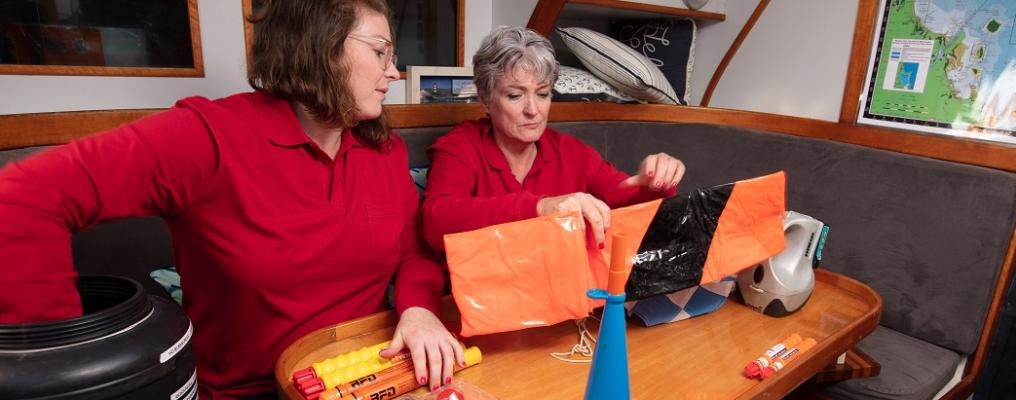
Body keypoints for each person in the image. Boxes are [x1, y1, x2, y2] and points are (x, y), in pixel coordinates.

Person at [0, 1, 462, 397]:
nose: (393, 71)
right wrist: (60, 360)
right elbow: (20, 200)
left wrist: (419, 309)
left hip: (369, 377)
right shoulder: (207, 138)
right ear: (319, 45)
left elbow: (411, 250)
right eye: (380, 51)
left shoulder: (383, 149)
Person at [421, 26, 686, 253]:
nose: (533, 109)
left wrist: (655, 183)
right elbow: (435, 222)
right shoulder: (459, 147)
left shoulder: (572, 152)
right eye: (515, 95)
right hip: (485, 301)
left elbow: (629, 201)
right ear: (484, 99)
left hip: (560, 295)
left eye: (543, 93)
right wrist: (539, 207)